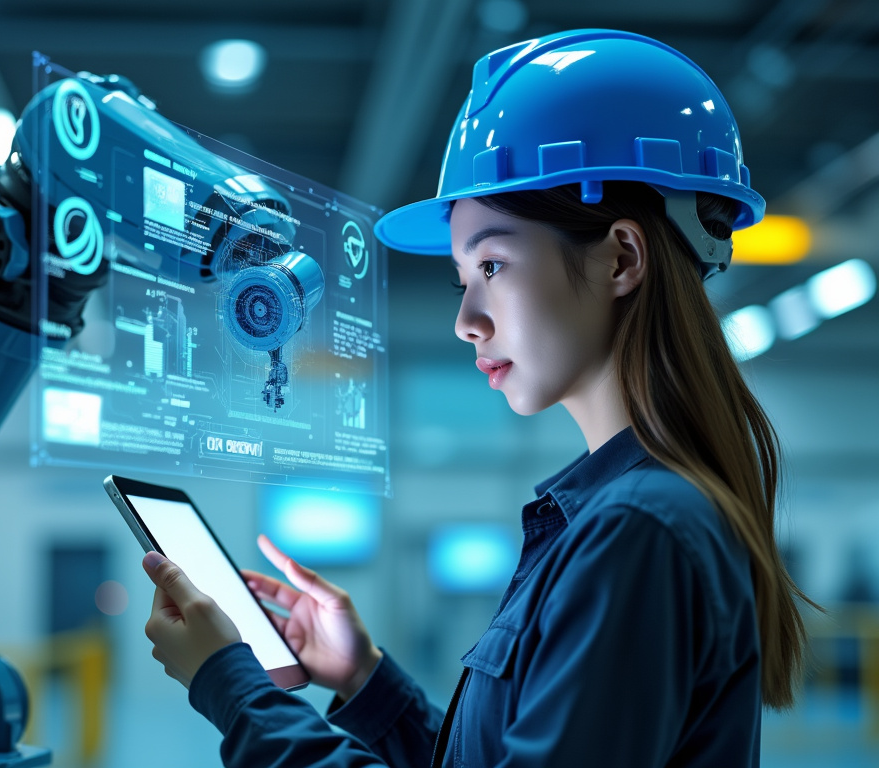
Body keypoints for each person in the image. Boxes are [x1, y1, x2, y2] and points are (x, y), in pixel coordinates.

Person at [141, 29, 815, 767]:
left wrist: (231, 688)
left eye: (493, 263)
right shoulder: (621, 517)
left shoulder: (638, 529)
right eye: (465, 278)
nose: (467, 322)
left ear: (622, 257)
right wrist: (364, 680)